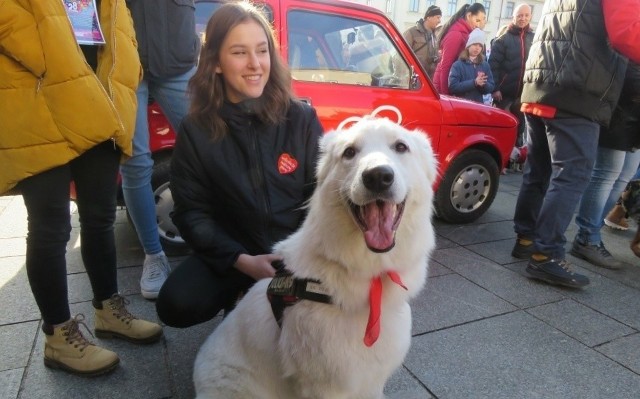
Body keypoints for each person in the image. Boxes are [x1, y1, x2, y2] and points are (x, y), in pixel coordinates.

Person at [0, 0, 162, 376]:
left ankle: (108, 310)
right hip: (36, 92)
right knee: (51, 225)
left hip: (99, 94)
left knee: (100, 216)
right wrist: (49, 52)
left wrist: (127, 65)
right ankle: (59, 337)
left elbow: (118, 20)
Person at [155, 2, 324, 328]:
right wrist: (241, 261)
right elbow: (191, 213)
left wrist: (302, 257)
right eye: (239, 52)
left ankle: (260, 304)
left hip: (297, 253)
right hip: (236, 254)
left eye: (262, 51)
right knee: (176, 304)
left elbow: (324, 196)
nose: (254, 64)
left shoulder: (300, 119)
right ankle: (240, 295)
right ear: (216, 62)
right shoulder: (197, 129)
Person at [511, 0, 640, 288]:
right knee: (572, 175)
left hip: (540, 81)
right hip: (575, 87)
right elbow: (626, 32)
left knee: (539, 170)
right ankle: (546, 256)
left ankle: (526, 238)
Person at [121, 0, 200, 300]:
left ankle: (229, 238)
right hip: (126, 64)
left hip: (178, 60)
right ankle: (154, 256)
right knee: (134, 162)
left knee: (211, 147)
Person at [571, 63, 640, 269]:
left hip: (633, 119)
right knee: (606, 175)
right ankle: (586, 237)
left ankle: (591, 232)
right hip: (619, 112)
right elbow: (625, 72)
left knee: (623, 176)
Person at [488, 3, 534, 147]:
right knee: (501, 128)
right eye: (519, 15)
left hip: (524, 94)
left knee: (519, 128)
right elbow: (493, 66)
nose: (523, 18)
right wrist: (495, 88)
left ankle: (515, 159)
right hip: (504, 94)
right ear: (513, 17)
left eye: (526, 15)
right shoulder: (503, 39)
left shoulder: (534, 38)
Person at [432, 3, 486, 94]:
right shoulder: (456, 34)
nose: (479, 25)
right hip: (444, 88)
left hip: (455, 86)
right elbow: (445, 67)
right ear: (469, 16)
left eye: (482, 21)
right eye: (477, 20)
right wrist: (446, 96)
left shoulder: (468, 33)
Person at [448, 28, 494, 103]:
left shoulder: (485, 65)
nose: (477, 48)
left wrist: (483, 85)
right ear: (468, 46)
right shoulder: (458, 65)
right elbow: (453, 87)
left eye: (480, 46)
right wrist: (474, 83)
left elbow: (491, 86)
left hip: (478, 105)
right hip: (461, 105)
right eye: (475, 44)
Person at [402, 5, 442, 79]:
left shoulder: (435, 36)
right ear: (429, 17)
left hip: (428, 81)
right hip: (413, 80)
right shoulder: (412, 33)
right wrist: (404, 78)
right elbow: (400, 55)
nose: (439, 21)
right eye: (438, 17)